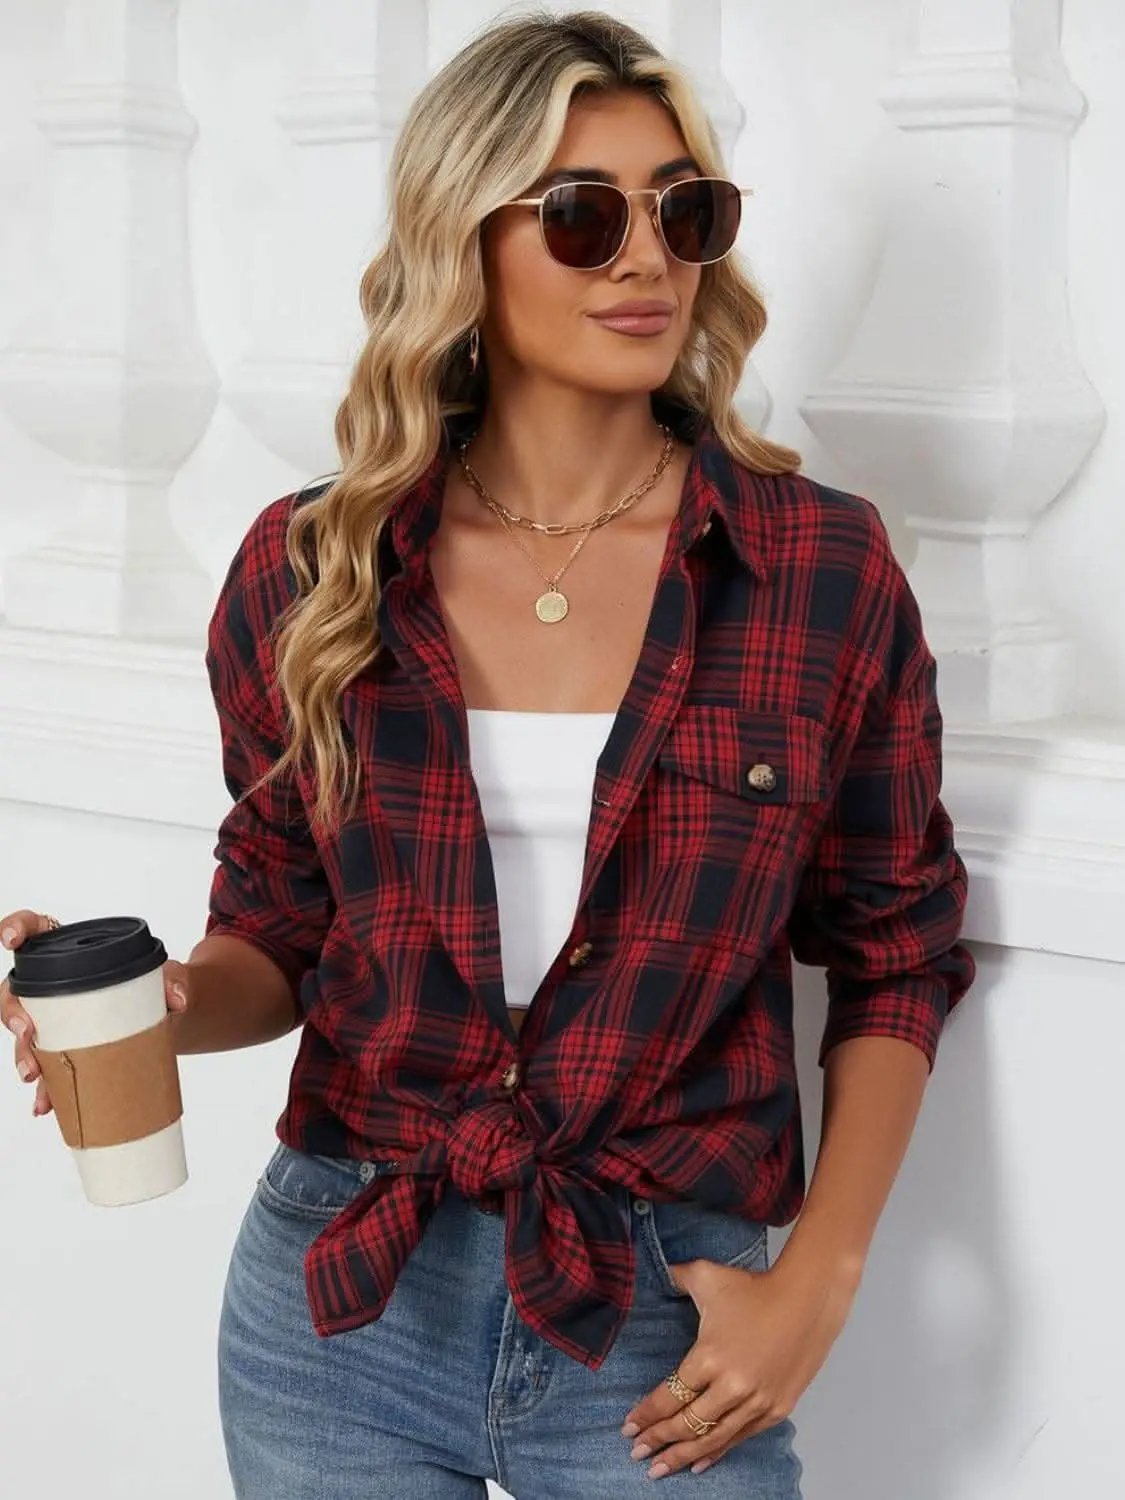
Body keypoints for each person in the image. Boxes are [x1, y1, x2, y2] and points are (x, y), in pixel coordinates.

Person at [2, 9, 976, 1497]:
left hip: (665, 1311)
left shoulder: (815, 571)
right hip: (345, 1302)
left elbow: (894, 949)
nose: (647, 261)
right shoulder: (311, 570)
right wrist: (168, 1006)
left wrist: (818, 1284)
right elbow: (278, 925)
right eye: (583, 216)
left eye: (684, 213)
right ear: (465, 240)